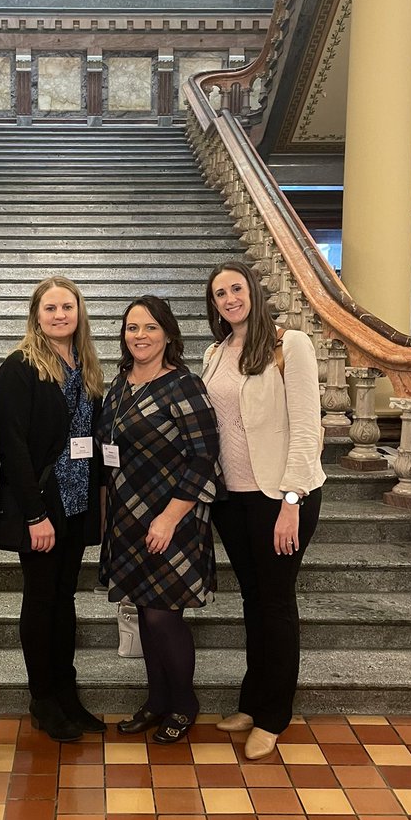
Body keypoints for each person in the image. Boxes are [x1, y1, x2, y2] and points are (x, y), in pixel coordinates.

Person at [202, 262, 325, 760]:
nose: (230, 298)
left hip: (280, 496)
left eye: (236, 288)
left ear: (252, 290)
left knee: (275, 602)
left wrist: (292, 499)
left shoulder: (289, 344)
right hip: (232, 498)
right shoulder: (214, 353)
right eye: (220, 293)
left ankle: (274, 716)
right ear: (213, 304)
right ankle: (252, 703)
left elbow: (307, 426)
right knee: (253, 599)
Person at [101, 295, 222, 744]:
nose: (140, 336)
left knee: (161, 617)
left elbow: (204, 457)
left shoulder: (184, 385)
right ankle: (156, 700)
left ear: (168, 334)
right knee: (142, 609)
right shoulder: (120, 385)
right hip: (128, 517)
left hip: (173, 517)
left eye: (150, 327)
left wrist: (169, 518)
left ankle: (184, 703)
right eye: (132, 328)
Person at [0, 278, 106, 742]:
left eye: (67, 307)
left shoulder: (86, 365)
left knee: (64, 598)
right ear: (36, 315)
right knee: (41, 600)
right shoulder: (19, 369)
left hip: (77, 504)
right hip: (43, 506)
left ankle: (66, 693)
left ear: (79, 312)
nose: (60, 315)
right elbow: (13, 449)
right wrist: (35, 516)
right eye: (51, 308)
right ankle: (42, 699)